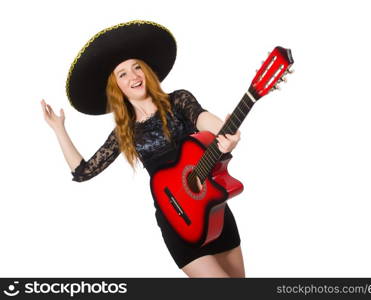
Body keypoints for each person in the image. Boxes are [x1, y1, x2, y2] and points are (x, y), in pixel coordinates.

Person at [40, 20, 245, 278]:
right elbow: (83, 172)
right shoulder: (124, 132)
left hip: (213, 209)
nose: (134, 76)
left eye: (137, 67)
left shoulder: (178, 100)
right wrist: (59, 129)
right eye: (123, 74)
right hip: (177, 220)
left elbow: (205, 120)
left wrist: (225, 132)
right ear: (118, 88)